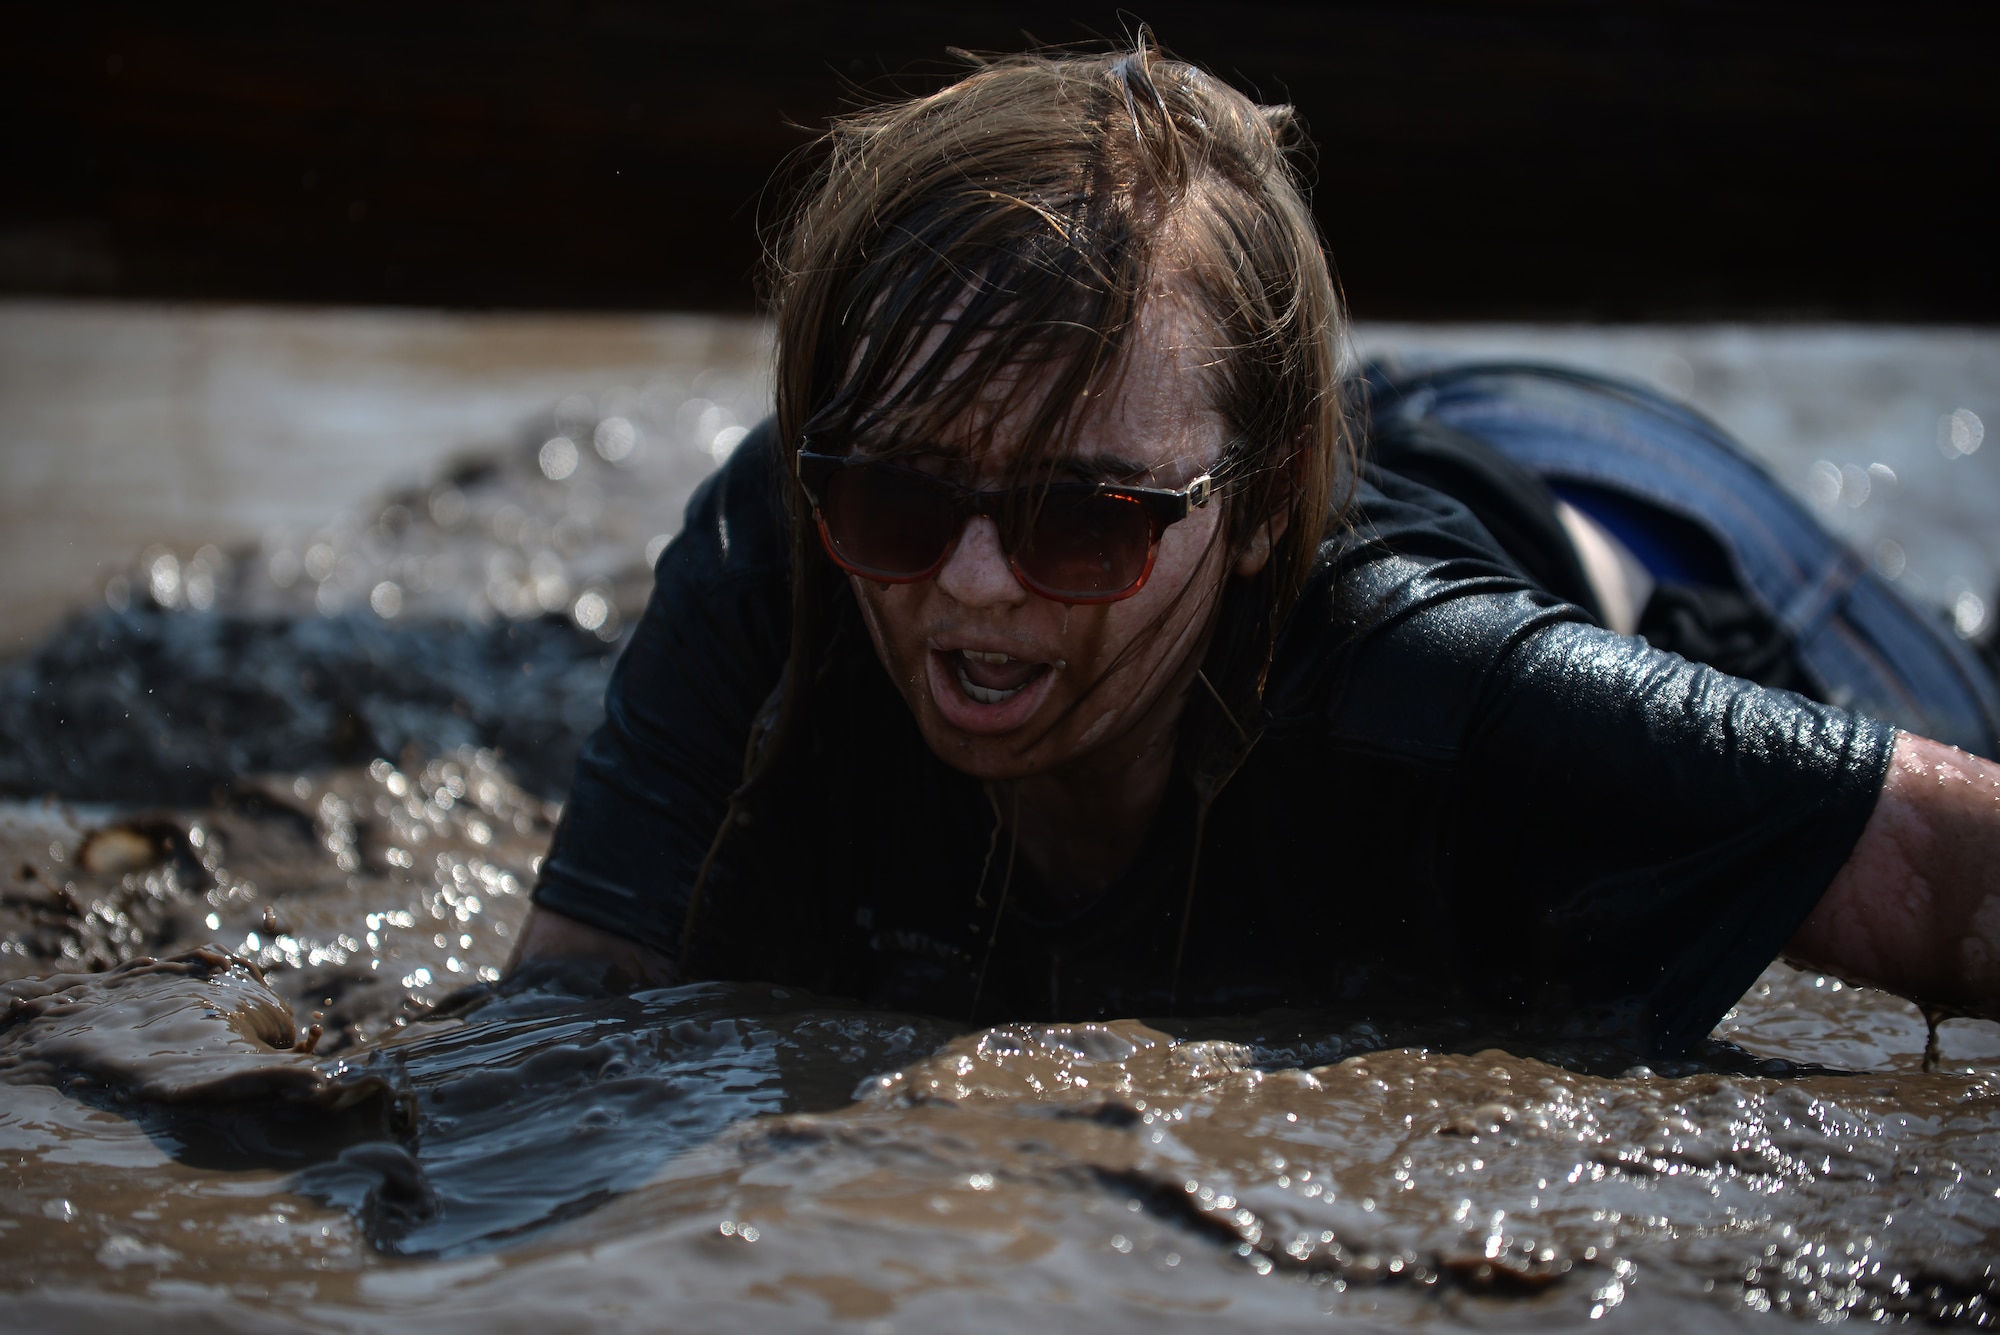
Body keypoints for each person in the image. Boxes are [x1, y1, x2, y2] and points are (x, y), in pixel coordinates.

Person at [509, 37, 2000, 1059]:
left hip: (1657, 524)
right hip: (1235, 411)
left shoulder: (1423, 685)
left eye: (1080, 522)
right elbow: (568, 1008)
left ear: (1267, 504)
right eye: (904, 501)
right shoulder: (784, 529)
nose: (968, 582)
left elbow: (1945, 870)